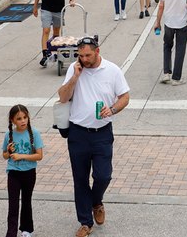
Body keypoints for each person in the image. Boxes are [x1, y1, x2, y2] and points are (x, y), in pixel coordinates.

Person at [56, 37, 130, 237]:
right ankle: (85, 223)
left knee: (103, 175)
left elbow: (125, 96)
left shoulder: (112, 70)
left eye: (87, 55)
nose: (84, 59)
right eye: (80, 56)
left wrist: (112, 109)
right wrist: (74, 78)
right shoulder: (75, 68)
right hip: (78, 132)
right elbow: (62, 97)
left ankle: (96, 201)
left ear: (97, 51)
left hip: (102, 133)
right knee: (80, 179)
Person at [2, 104, 43, 237]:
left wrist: (21, 156)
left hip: (29, 173)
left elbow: (39, 155)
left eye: (25, 117)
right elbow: (4, 155)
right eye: (19, 118)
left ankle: (26, 229)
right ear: (12, 120)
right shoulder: (9, 135)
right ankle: (11, 233)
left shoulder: (34, 133)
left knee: (26, 201)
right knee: (13, 204)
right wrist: (9, 152)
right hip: (14, 173)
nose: (23, 121)